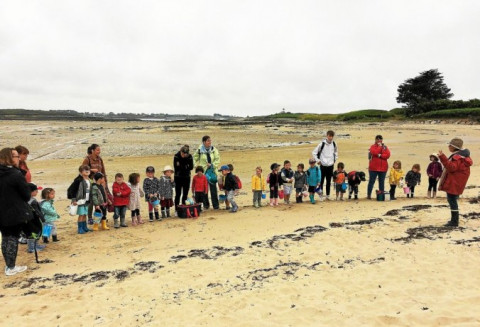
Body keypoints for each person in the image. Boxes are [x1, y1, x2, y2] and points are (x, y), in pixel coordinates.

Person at [0, 147, 31, 276]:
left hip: (2, 211)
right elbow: (26, 195)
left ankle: (9, 265)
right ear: (9, 158)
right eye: (15, 156)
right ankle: (11, 266)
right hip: (13, 211)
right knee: (12, 238)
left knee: (5, 238)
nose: (18, 159)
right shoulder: (15, 174)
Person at [438, 138, 473, 227]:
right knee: (453, 201)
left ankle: (454, 221)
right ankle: (454, 220)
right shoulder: (463, 156)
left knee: (452, 201)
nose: (448, 147)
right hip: (457, 182)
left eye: (450, 145)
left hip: (454, 183)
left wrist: (442, 157)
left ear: (454, 147)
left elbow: (451, 167)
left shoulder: (457, 157)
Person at [82, 144, 108, 223]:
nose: (99, 152)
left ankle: (100, 217)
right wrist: (91, 170)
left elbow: (103, 170)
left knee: (100, 200)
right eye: (97, 150)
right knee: (91, 201)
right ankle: (90, 218)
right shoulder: (87, 159)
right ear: (92, 150)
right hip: (90, 182)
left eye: (99, 150)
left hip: (99, 182)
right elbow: (82, 169)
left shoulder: (100, 159)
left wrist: (105, 182)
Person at [193, 136, 220, 210]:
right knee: (204, 190)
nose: (210, 142)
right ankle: (206, 205)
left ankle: (216, 205)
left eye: (210, 141)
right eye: (208, 141)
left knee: (213, 189)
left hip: (212, 172)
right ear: (204, 142)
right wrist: (196, 166)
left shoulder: (214, 150)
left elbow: (217, 160)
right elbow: (194, 158)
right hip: (203, 172)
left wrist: (212, 165)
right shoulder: (199, 150)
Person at [312, 130, 338, 200]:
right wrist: (318, 160)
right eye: (329, 136)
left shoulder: (334, 144)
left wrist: (334, 160)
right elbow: (314, 152)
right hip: (322, 165)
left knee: (329, 181)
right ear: (327, 136)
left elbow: (336, 153)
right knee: (321, 181)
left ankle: (328, 195)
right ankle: (321, 196)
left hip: (330, 165)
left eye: (332, 136)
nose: (330, 137)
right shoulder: (322, 144)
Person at [367, 135, 391, 199]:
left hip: (383, 168)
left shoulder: (385, 147)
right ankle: (369, 195)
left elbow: (388, 155)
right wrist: (379, 147)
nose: (379, 140)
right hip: (373, 168)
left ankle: (381, 195)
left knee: (381, 182)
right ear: (375, 140)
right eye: (377, 139)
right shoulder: (372, 146)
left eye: (380, 139)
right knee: (371, 181)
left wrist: (380, 155)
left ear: (382, 140)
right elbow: (374, 152)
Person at [26, 183, 46, 253]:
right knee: (36, 232)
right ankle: (32, 247)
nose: (37, 192)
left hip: (27, 219)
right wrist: (42, 218)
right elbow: (38, 211)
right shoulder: (33, 201)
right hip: (34, 219)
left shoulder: (24, 199)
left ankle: (35, 245)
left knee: (30, 232)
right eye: (36, 191)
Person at [173, 145, 194, 212]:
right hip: (178, 177)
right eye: (182, 154)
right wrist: (185, 166)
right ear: (180, 151)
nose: (183, 155)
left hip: (186, 177)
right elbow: (176, 167)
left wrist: (183, 165)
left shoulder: (189, 156)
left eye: (185, 154)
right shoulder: (176, 156)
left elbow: (191, 167)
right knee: (178, 194)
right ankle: (176, 209)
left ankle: (183, 207)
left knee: (185, 194)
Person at [73, 165, 92, 234]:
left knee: (85, 214)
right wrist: (74, 200)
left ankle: (85, 227)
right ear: (81, 172)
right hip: (80, 200)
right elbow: (73, 190)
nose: (87, 171)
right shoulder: (78, 180)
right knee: (81, 214)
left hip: (87, 199)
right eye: (85, 170)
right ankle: (80, 228)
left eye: (88, 170)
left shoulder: (89, 180)